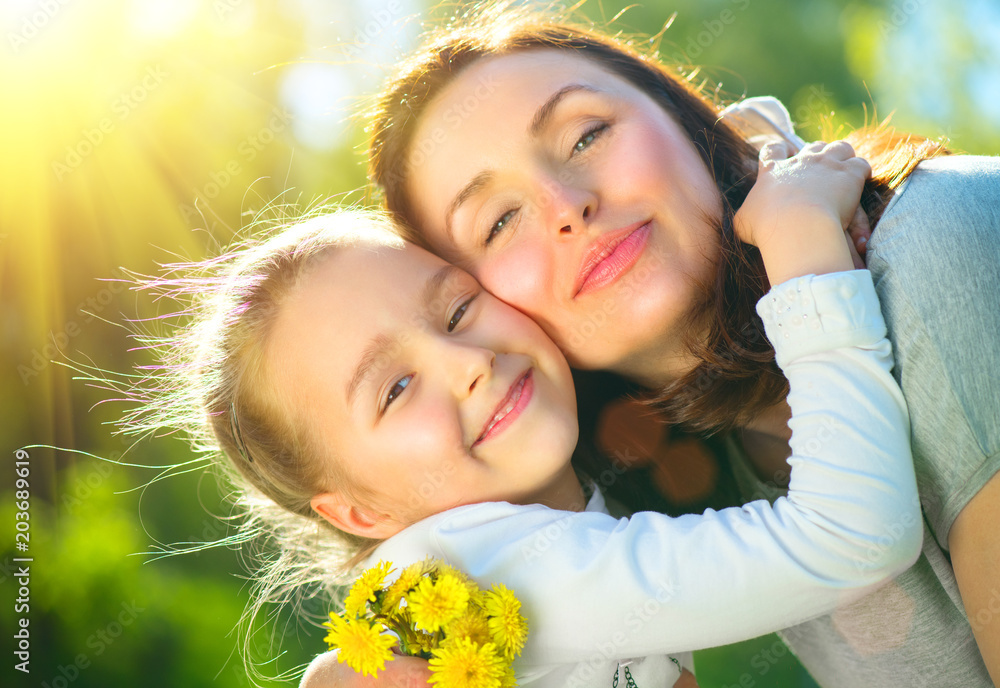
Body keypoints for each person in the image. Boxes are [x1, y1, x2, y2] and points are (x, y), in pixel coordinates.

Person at [364, 4, 1000, 686]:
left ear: (692, 127)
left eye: (586, 136)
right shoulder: (677, 483)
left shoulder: (934, 249)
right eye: (500, 221)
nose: (565, 204)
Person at [150, 133, 918, 687]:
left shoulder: (549, 516)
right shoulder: (491, 570)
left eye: (456, 310)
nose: (467, 362)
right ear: (354, 511)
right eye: (393, 390)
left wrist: (741, 158)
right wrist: (801, 246)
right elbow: (851, 539)